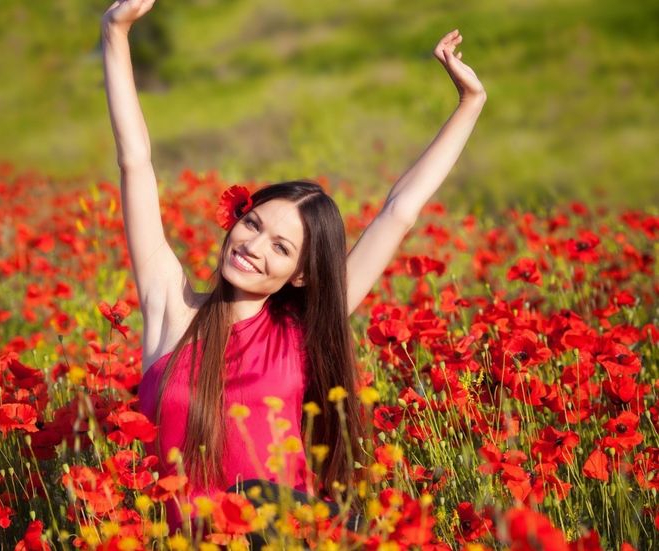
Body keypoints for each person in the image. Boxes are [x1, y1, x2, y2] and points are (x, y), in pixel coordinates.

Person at [100, 0, 486, 544]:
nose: (253, 247)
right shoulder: (171, 311)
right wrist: (115, 32)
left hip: (284, 534)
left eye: (281, 247)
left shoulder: (302, 329)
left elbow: (399, 211)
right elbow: (135, 162)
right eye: (252, 224)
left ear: (301, 274)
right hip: (180, 540)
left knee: (263, 502)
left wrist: (470, 101)